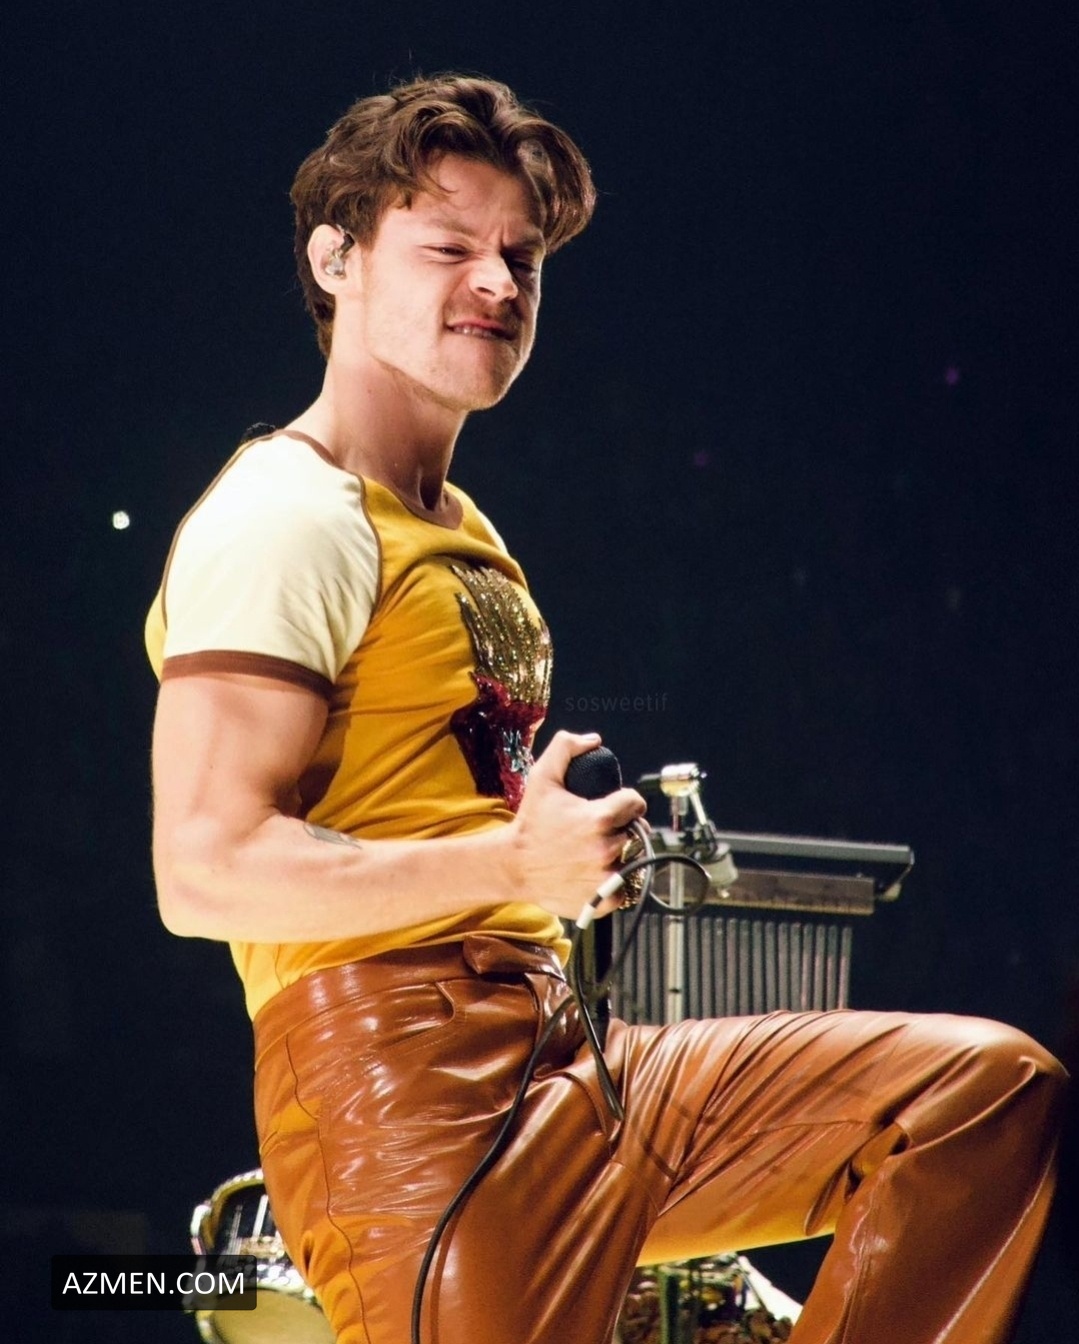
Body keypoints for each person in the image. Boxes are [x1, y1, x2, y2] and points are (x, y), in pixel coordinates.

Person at [147, 74, 1066, 1344]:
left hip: (566, 1059)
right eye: (448, 247)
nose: (497, 282)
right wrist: (511, 864)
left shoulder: (463, 528)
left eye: (520, 257)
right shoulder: (284, 511)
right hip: (404, 1109)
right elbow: (203, 871)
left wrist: (553, 871)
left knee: (979, 1098)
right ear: (335, 259)